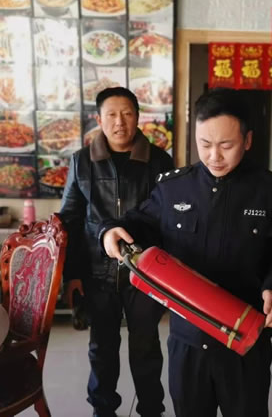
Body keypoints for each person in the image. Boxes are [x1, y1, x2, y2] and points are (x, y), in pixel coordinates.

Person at [98, 87, 272, 417]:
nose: (214, 156)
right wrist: (110, 230)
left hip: (244, 338)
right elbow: (138, 223)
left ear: (248, 140)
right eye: (204, 144)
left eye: (226, 145)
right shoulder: (174, 188)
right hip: (188, 341)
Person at [59, 87, 173, 417]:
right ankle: (103, 410)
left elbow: (168, 220)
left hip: (145, 273)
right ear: (99, 119)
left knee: (146, 347)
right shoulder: (81, 162)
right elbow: (70, 221)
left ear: (138, 117)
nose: (119, 122)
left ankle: (151, 410)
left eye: (127, 114)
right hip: (97, 274)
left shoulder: (159, 161)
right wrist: (72, 276)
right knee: (102, 348)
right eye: (111, 114)